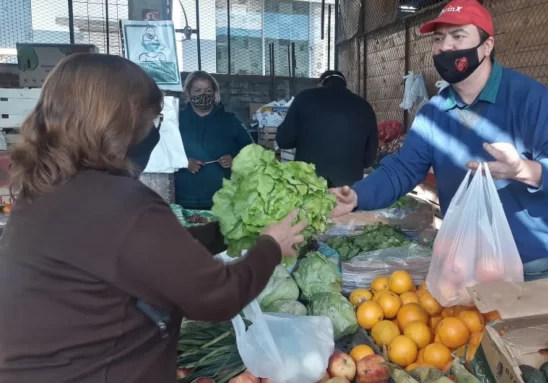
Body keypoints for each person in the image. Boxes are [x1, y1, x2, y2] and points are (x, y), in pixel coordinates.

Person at [0, 53, 306, 382]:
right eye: (151, 120)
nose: (153, 132)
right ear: (120, 124)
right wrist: (271, 246)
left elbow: (155, 254)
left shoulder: (45, 191)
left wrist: (231, 231)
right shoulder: (123, 203)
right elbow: (218, 297)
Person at [329, 0, 548, 281]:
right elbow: (402, 169)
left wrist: (524, 170)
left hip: (527, 264)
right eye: (439, 39)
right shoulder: (434, 114)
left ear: (487, 46)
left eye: (458, 36)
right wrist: (357, 196)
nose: (445, 47)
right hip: (464, 260)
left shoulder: (529, 98)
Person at [276, 70, 378, 188]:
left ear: (321, 84)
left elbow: (283, 140)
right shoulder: (364, 106)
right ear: (345, 85)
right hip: (348, 189)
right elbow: (369, 158)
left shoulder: (304, 98)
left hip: (309, 186)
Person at [175, 71, 253, 210]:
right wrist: (183, 162)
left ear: (215, 93)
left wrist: (234, 159)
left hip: (223, 199)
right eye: (197, 90)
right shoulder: (176, 120)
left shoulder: (230, 120)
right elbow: (162, 153)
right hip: (183, 197)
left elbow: (250, 151)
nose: (203, 95)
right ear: (188, 92)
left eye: (208, 91)